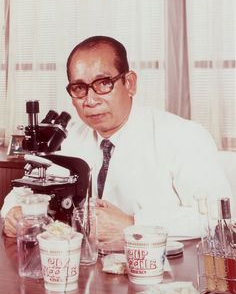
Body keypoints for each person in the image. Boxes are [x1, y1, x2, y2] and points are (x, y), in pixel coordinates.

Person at [1, 35, 232, 241]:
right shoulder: (68, 138)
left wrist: (133, 224)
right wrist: (12, 215)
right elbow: (22, 193)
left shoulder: (183, 136)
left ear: (129, 83)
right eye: (79, 88)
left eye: (104, 84)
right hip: (85, 271)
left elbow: (218, 218)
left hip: (161, 274)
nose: (90, 100)